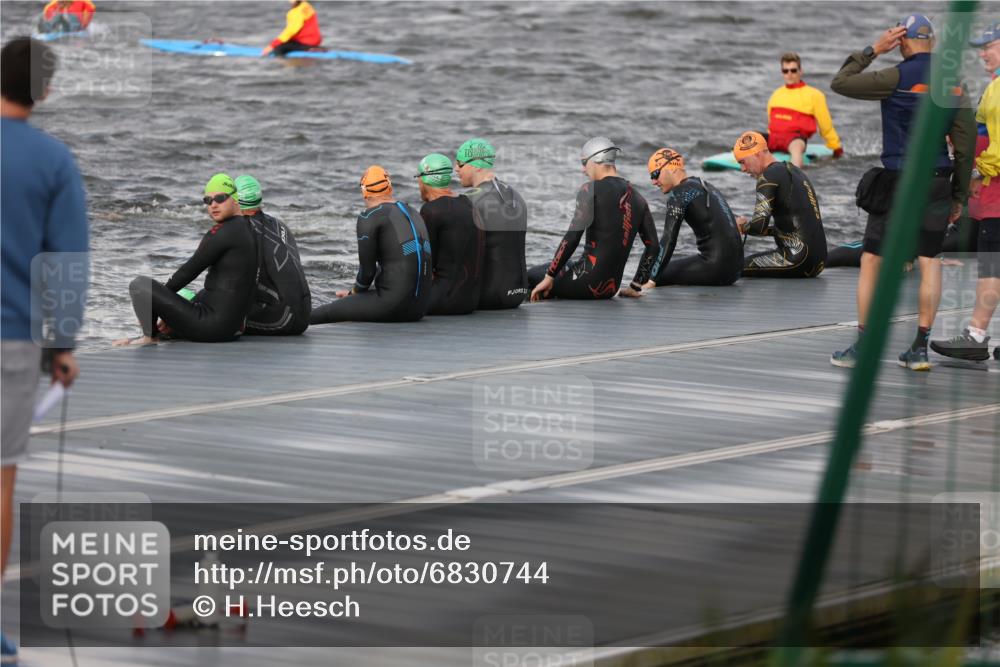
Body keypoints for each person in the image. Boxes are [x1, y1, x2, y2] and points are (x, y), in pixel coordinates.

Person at [1, 37, 89, 666]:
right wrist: (63, 343)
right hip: (12, 339)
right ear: (46, 90)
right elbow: (67, 262)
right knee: (0, 477)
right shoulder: (53, 161)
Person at [829, 14, 976, 370]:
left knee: (872, 260)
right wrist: (958, 196)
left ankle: (865, 346)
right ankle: (920, 349)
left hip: (899, 180)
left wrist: (873, 50)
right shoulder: (953, 82)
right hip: (937, 181)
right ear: (933, 42)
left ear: (902, 41)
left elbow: (841, 82)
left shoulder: (894, 77)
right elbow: (966, 145)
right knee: (930, 261)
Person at [120, 174, 259, 345]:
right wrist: (168, 309)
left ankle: (150, 337)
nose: (213, 205)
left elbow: (187, 272)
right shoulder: (247, 229)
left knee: (140, 285)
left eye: (220, 198)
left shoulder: (223, 232)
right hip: (233, 329)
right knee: (191, 297)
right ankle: (160, 333)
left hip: (212, 327)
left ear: (235, 199)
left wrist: (157, 306)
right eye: (208, 200)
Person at [931, 21, 1000, 361]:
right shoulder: (994, 88)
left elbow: (995, 149)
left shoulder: (998, 89)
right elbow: (981, 129)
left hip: (996, 195)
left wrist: (974, 171)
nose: (982, 54)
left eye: (988, 46)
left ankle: (975, 337)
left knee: (991, 267)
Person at [528, 137, 658, 300]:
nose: (583, 170)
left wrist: (549, 277)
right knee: (562, 267)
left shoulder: (590, 189)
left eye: (584, 162)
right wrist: (635, 286)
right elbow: (653, 247)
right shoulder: (639, 198)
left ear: (597, 159)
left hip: (585, 283)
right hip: (611, 288)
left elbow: (572, 238)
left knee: (530, 276)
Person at [310, 166, 432, 323]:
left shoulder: (369, 216)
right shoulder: (413, 212)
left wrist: (353, 295)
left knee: (324, 312)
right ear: (390, 187)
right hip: (420, 307)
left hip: (394, 306)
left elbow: (367, 273)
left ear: (364, 192)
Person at [732, 131, 828, 278]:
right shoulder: (794, 171)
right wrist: (745, 228)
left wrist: (741, 226)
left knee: (733, 267)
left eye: (742, 162)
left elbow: (758, 227)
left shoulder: (768, 177)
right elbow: (792, 228)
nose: (742, 169)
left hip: (798, 259)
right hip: (819, 261)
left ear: (757, 154)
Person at [643, 148, 743, 287]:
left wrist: (651, 280)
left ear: (671, 168)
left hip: (716, 269)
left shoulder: (680, 193)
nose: (654, 181)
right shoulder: (704, 184)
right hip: (736, 269)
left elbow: (669, 239)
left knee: (648, 272)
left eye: (655, 174)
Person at [456, 138, 529, 309]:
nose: (456, 169)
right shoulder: (516, 195)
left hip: (488, 295)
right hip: (518, 293)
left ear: (476, 165)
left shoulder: (471, 200)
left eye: (460, 163)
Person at [235, 175, 311, 335]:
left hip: (281, 319)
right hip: (305, 314)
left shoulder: (242, 230)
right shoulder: (279, 225)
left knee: (214, 314)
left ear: (235, 201)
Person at [416, 153, 483, 315]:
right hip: (470, 301)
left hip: (441, 301)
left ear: (425, 179)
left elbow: (424, 262)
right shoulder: (469, 204)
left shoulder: (431, 210)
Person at [765, 52, 844, 168]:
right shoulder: (776, 95)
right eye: (785, 71)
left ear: (800, 71)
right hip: (774, 138)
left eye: (793, 70)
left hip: (794, 140)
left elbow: (826, 126)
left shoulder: (815, 95)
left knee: (796, 148)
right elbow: (771, 123)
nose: (789, 74)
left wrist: (835, 147)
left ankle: (794, 175)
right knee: (751, 136)